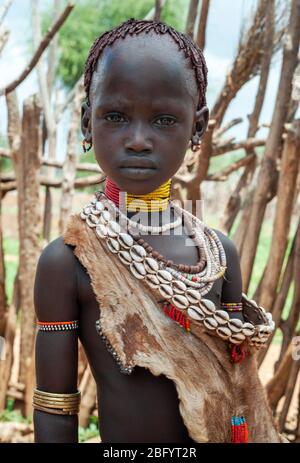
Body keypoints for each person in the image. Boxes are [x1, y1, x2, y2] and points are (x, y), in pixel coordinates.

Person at [33, 18, 284, 443]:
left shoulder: (218, 256)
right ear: (86, 123)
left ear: (198, 127)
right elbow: (55, 409)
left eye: (164, 120)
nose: (137, 140)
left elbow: (237, 391)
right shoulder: (69, 261)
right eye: (115, 115)